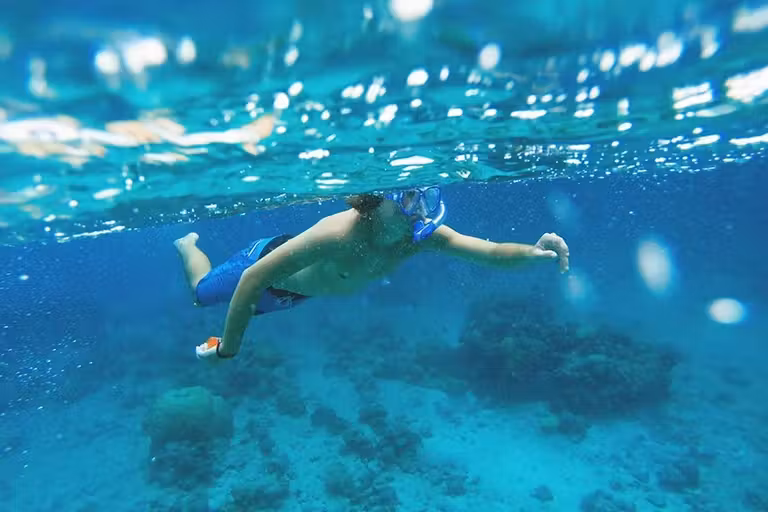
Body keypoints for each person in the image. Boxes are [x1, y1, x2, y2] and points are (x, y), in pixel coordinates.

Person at [174, 186, 570, 361]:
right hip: (258, 266)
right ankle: (188, 246)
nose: (420, 212)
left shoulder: (419, 237)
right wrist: (229, 348)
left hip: (291, 294)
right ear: (378, 201)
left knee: (251, 308)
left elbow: (489, 252)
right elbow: (251, 280)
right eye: (410, 200)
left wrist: (534, 253)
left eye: (427, 199)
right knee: (201, 294)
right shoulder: (339, 232)